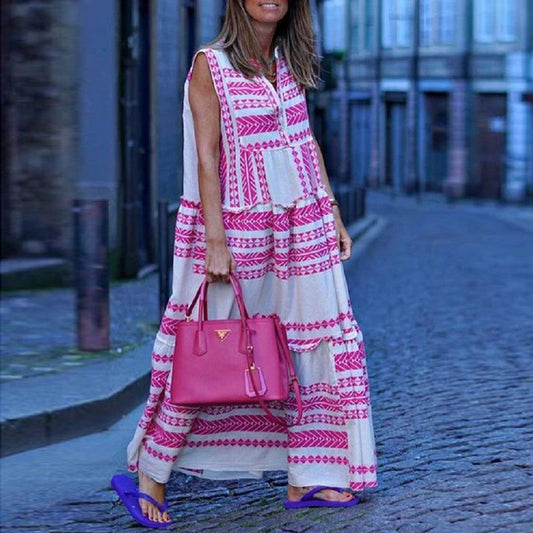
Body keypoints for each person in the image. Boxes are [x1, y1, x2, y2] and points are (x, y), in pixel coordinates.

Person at [111, 0, 377, 527]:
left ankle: (309, 474)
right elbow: (207, 156)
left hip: (304, 222)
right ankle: (149, 476)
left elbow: (306, 144)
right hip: (237, 224)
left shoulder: (289, 61)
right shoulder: (210, 64)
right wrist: (214, 240)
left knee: (309, 341)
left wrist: (334, 213)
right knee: (209, 345)